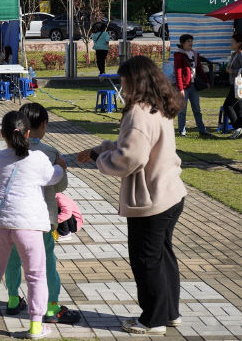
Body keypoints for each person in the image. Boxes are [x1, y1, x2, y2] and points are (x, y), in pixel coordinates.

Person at [77, 56, 186, 336]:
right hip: (170, 193)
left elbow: (130, 156)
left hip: (151, 198)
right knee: (162, 255)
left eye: (124, 80)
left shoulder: (138, 111)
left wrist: (103, 161)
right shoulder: (157, 106)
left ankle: (153, 319)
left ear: (135, 81)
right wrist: (100, 149)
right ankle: (169, 312)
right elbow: (133, 143)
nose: (122, 86)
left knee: (146, 260)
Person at [0, 110, 66, 339]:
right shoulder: (38, 158)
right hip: (29, 225)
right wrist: (61, 167)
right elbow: (52, 178)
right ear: (28, 133)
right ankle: (36, 326)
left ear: (2, 134)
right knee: (36, 275)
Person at [4, 103, 81, 327]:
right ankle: (51, 306)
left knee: (13, 259)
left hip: (12, 218)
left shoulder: (8, 152)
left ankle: (12, 299)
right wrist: (62, 168)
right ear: (44, 125)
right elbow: (60, 186)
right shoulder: (50, 153)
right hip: (41, 220)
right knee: (46, 262)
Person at [173, 34, 213, 138]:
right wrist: (180, 88)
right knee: (182, 110)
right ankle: (182, 131)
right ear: (182, 43)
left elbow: (200, 69)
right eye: (188, 41)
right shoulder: (178, 55)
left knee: (197, 109)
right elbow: (178, 72)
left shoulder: (195, 54)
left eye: (191, 41)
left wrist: (206, 81)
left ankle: (202, 130)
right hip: (184, 87)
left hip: (193, 85)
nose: (191, 43)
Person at [223, 33, 242, 139]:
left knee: (228, 106)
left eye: (233, 42)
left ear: (239, 43)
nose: (231, 44)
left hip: (239, 84)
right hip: (234, 84)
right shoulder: (235, 53)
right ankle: (240, 129)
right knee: (238, 108)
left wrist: (232, 71)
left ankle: (238, 128)